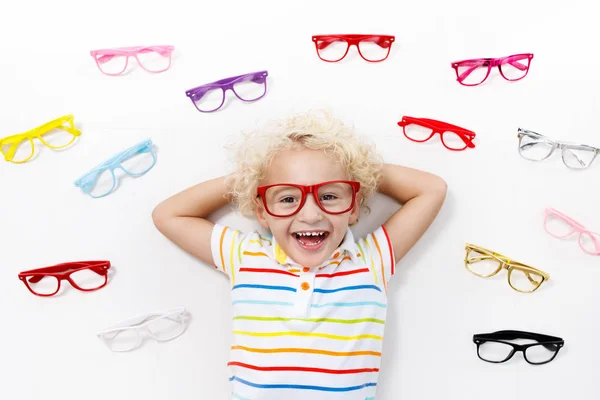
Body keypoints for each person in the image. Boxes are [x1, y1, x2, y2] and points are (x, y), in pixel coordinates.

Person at [152, 110, 447, 400]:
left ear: (354, 207)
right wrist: (250, 178)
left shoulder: (371, 260)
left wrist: (356, 169)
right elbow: (169, 215)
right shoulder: (246, 256)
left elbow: (431, 189)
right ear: (262, 212)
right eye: (288, 198)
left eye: (329, 195)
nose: (310, 214)